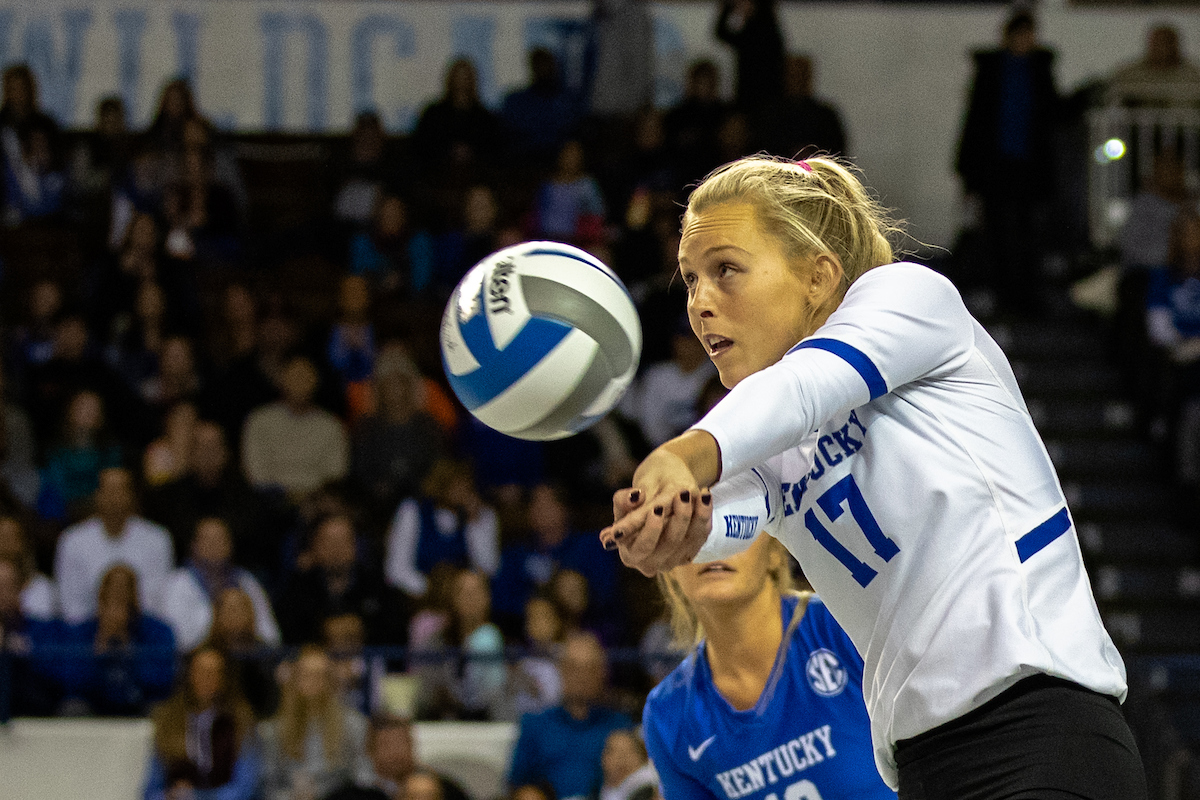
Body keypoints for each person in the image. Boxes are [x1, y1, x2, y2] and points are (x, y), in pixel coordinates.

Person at [600, 155, 1146, 798]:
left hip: (1040, 730)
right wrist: (670, 529)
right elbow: (735, 514)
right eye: (690, 280)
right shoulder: (768, 434)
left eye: (726, 270)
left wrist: (683, 455)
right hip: (926, 766)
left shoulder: (909, 298)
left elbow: (804, 388)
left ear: (817, 276)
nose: (700, 304)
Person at [643, 532, 893, 799]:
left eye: (731, 524)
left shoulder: (843, 627)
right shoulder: (667, 715)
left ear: (775, 552)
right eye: (693, 529)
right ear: (669, 568)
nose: (711, 543)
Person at [955, 9, 1060, 318]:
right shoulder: (993, 70)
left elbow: (1050, 113)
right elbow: (976, 122)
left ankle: (1026, 295)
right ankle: (1005, 295)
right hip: (998, 166)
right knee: (999, 234)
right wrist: (968, 171)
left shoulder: (1038, 69)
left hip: (1028, 166)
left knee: (1029, 235)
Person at [507, 630, 633, 800]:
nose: (581, 677)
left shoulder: (620, 727)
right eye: (573, 667)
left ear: (602, 673)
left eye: (589, 668)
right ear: (561, 670)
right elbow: (517, 785)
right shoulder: (535, 724)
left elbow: (636, 783)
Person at [55, 466, 175, 624]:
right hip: (87, 633)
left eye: (120, 491)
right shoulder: (72, 541)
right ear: (97, 496)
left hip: (142, 630)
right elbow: (70, 602)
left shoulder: (158, 539)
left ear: (131, 496)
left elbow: (158, 598)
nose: (114, 499)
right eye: (109, 491)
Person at [142, 646, 262, 800]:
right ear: (189, 675)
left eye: (213, 673)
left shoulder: (240, 720)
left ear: (223, 678)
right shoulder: (168, 720)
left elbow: (245, 786)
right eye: (200, 671)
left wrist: (199, 797)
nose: (206, 679)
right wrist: (168, 796)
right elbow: (150, 790)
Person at [259, 645, 373, 800]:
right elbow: (268, 786)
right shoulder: (272, 730)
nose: (313, 682)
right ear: (294, 679)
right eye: (306, 675)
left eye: (321, 675)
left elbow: (363, 776)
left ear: (331, 681)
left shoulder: (354, 724)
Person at [162, 517, 280, 652]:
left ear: (230, 545)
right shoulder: (178, 582)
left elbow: (270, 635)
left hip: (246, 657)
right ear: (193, 545)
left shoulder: (245, 581)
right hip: (197, 659)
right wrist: (219, 630)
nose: (214, 545)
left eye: (220, 539)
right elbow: (178, 639)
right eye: (208, 540)